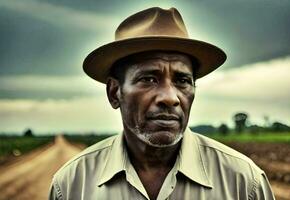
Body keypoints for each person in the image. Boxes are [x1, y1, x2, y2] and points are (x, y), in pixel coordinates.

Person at [49, 7, 275, 200]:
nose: (170, 97)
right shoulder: (71, 185)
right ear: (114, 92)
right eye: (148, 79)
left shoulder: (244, 183)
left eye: (182, 80)